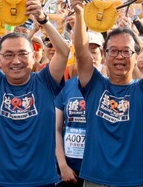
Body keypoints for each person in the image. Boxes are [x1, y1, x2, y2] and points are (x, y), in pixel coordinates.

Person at [0, 0, 70, 187]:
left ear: (34, 57)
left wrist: (42, 19)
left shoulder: (45, 81)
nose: (16, 61)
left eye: (22, 54)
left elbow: (64, 51)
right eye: (9, 55)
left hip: (40, 181)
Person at [70, 0, 143, 187]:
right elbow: (80, 53)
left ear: (137, 56)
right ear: (104, 55)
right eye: (113, 51)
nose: (119, 57)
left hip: (132, 181)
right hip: (94, 179)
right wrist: (79, 14)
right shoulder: (95, 85)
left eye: (126, 52)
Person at [55, 31, 104, 187]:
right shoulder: (66, 87)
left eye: (94, 51)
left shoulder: (112, 87)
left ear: (102, 54)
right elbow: (55, 129)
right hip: (71, 172)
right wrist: (62, 165)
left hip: (100, 171)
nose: (90, 56)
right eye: (84, 51)